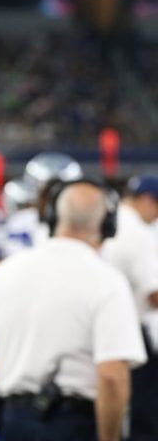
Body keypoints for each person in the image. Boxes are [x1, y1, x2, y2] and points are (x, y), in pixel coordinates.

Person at [0, 180, 147, 441]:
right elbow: (112, 376)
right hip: (73, 423)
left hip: (11, 419)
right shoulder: (107, 281)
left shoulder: (5, 272)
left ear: (53, 217)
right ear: (107, 225)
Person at [101, 174, 158, 441]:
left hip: (103, 327)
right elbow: (154, 293)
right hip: (131, 330)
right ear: (147, 201)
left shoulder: (112, 218)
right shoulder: (138, 232)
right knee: (143, 413)